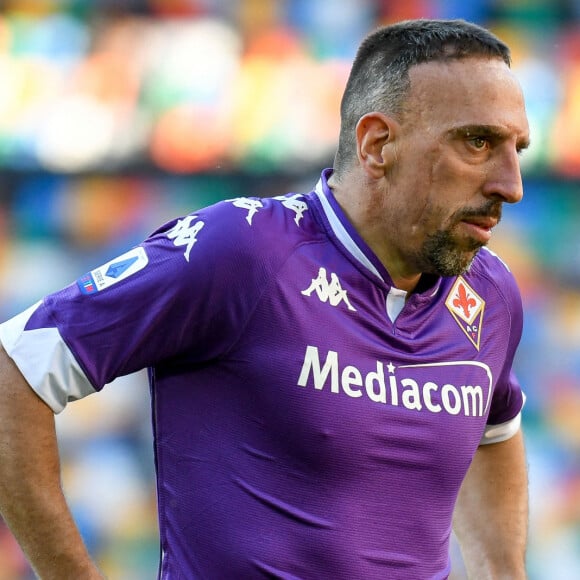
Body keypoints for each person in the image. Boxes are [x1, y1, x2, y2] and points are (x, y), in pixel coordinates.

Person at [0, 18, 530, 579]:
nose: (511, 184)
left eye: (517, 148)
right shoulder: (244, 251)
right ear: (378, 144)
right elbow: (17, 364)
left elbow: (496, 431)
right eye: (478, 143)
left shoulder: (489, 293)